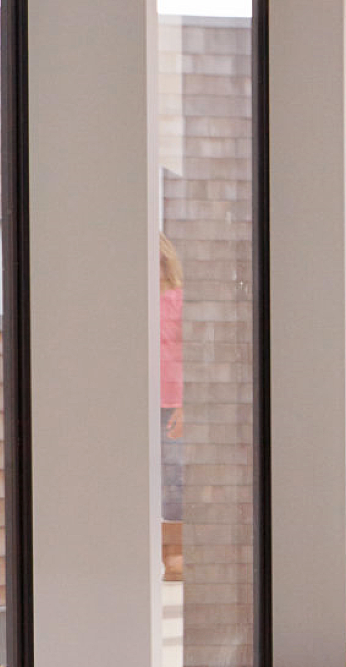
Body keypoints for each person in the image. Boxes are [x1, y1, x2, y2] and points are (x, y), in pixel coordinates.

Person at [160, 233, 185, 582]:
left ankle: (175, 556)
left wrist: (186, 404)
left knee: (175, 481)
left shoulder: (179, 301)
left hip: (171, 406)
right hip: (134, 404)